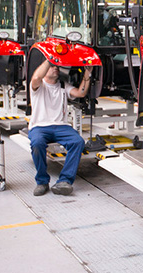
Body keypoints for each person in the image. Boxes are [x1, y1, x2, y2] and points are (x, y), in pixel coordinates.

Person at [28, 59, 92, 196]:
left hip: (61, 126)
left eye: (57, 65)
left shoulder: (63, 85)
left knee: (78, 142)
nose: (55, 67)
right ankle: (42, 182)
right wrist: (49, 58)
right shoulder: (38, 85)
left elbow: (80, 93)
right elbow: (37, 76)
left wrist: (88, 72)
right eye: (52, 66)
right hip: (40, 126)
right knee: (37, 143)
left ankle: (65, 181)